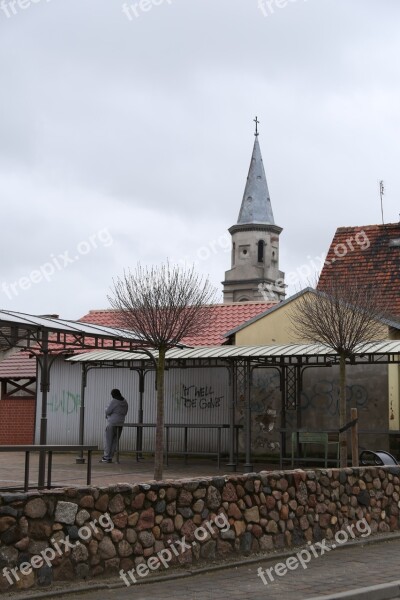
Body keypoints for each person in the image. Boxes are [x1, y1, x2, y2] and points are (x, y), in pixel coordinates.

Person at [100, 388, 128, 463]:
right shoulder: (125, 402)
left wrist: (106, 409)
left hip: (112, 423)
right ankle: (110, 456)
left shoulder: (114, 401)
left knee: (108, 440)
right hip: (121, 423)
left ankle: (106, 457)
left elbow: (108, 411)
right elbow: (125, 412)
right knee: (115, 440)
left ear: (113, 395)